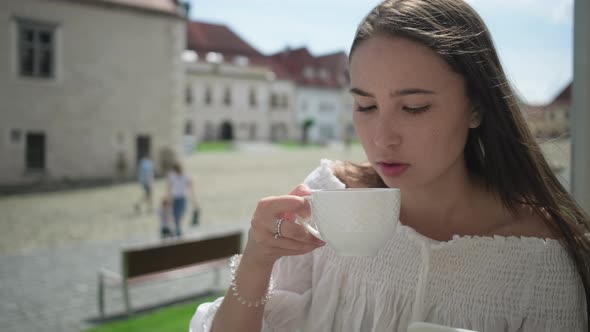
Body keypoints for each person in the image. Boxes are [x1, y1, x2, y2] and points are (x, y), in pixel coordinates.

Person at [190, 1, 590, 331]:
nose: (382, 138)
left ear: (477, 107)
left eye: (414, 108)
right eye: (365, 106)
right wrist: (256, 263)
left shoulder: (542, 256)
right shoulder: (328, 198)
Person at [167, 162, 196, 236]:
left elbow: (190, 185)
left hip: (182, 197)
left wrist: (193, 198)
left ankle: (178, 228)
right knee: (175, 214)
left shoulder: (185, 176)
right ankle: (177, 228)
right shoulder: (172, 176)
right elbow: (169, 187)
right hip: (175, 197)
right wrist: (169, 197)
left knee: (181, 212)